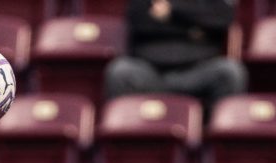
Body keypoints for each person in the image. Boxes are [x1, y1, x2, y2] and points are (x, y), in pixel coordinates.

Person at [104, 0, 246, 115]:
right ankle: (130, 147)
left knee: (230, 72)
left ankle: (211, 145)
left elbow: (222, 18)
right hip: (151, 72)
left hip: (199, 71)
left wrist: (172, 9)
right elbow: (139, 22)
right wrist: (192, 28)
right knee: (120, 71)